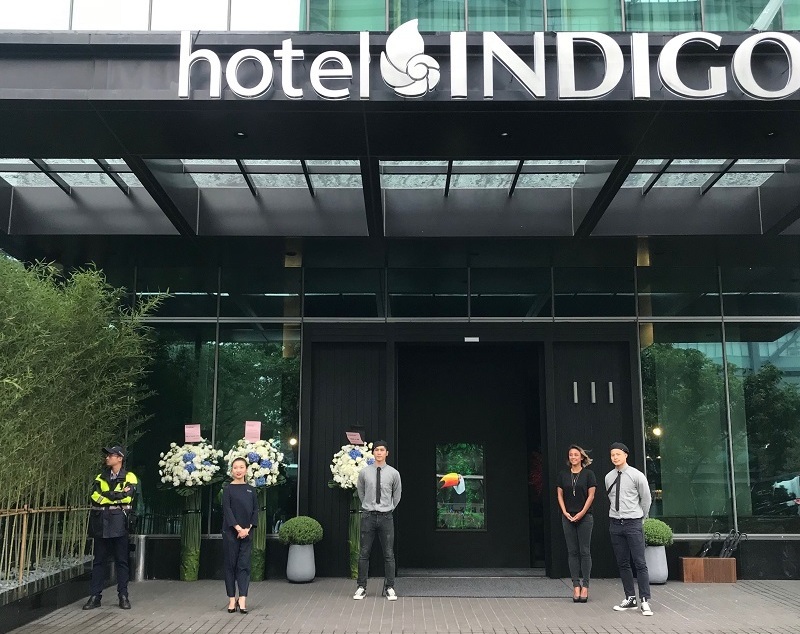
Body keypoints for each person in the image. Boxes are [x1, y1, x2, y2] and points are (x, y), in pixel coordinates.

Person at [83, 445, 138, 610]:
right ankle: (95, 596)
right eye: (107, 455)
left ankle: (123, 596)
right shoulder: (100, 477)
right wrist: (116, 495)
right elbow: (95, 497)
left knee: (122, 561)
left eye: (110, 455)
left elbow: (127, 498)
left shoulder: (130, 476)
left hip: (120, 523)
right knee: (99, 561)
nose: (107, 458)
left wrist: (108, 496)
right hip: (101, 523)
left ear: (120, 458)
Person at [605, 441, 653, 617]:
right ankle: (630, 598)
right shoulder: (608, 477)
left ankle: (645, 600)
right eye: (612, 455)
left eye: (618, 454)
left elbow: (646, 499)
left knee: (640, 563)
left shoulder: (636, 475)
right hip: (615, 523)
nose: (615, 457)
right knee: (623, 563)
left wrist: (640, 517)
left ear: (625, 455)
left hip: (633, 522)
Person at [353, 440, 402, 601]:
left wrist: (389, 508)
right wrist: (367, 505)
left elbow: (397, 494)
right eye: (376, 450)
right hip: (368, 516)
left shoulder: (394, 473)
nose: (379, 452)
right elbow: (361, 491)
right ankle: (361, 587)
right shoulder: (364, 472)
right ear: (373, 452)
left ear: (387, 453)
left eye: (382, 450)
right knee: (364, 553)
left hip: (386, 517)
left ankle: (390, 587)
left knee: (388, 553)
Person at [556, 444, 597, 603]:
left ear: (581, 457)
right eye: (571, 455)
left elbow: (591, 496)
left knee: (584, 551)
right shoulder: (563, 474)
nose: (573, 457)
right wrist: (565, 512)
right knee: (572, 551)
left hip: (585, 517)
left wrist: (581, 513)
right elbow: (559, 495)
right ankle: (575, 586)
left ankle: (585, 586)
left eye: (576, 455)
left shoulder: (588, 474)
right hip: (567, 516)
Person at [222, 457, 258, 614]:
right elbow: (227, 510)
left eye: (241, 467)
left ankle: (242, 598)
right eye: (235, 467)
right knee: (230, 565)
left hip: (247, 533)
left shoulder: (251, 490)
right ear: (231, 470)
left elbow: (255, 510)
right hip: (230, 532)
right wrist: (237, 528)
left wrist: (247, 529)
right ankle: (231, 599)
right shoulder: (227, 489)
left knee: (244, 565)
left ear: (246, 469)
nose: (238, 470)